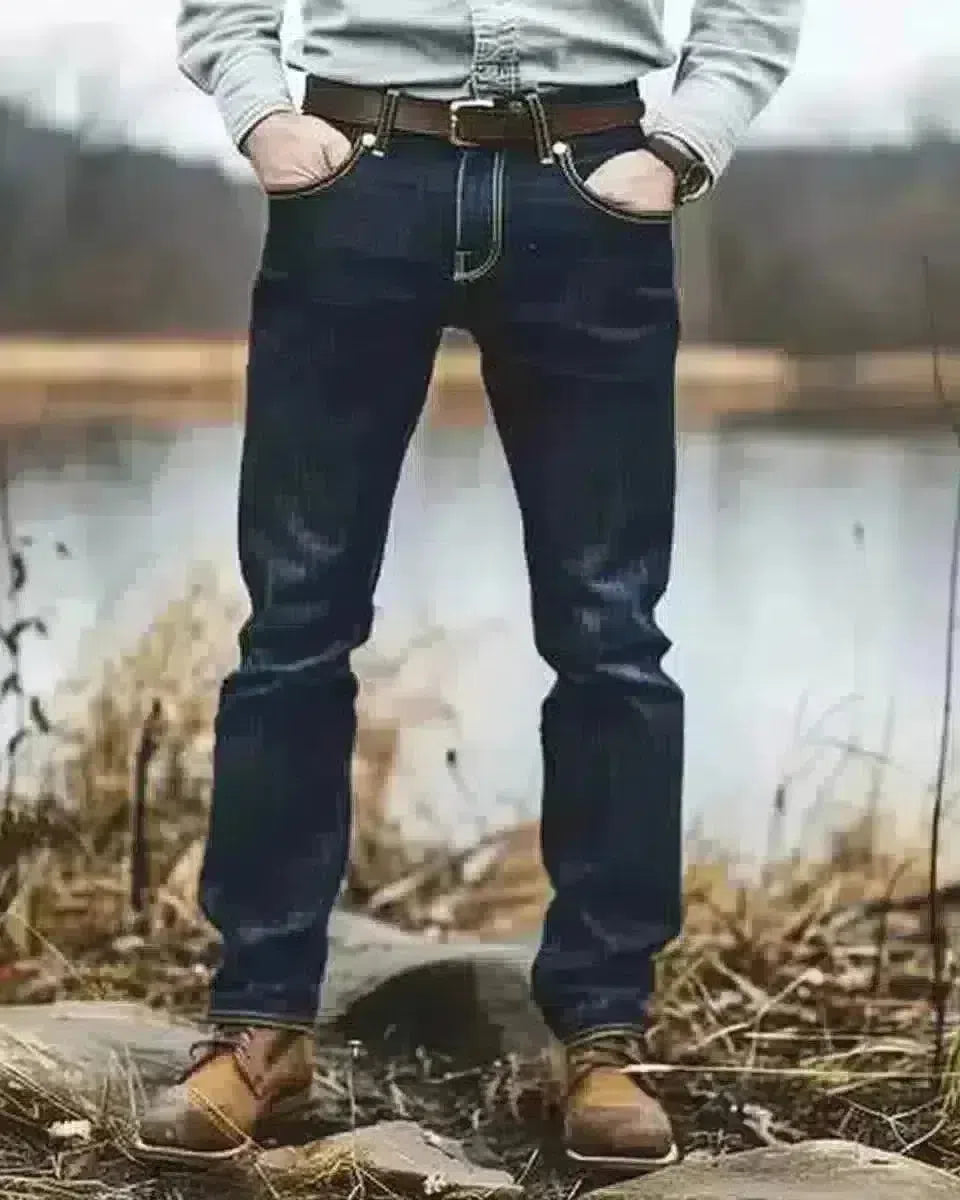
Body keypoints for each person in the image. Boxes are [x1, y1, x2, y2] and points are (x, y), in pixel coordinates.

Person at [137, 0, 803, 1170]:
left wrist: (685, 143)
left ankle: (603, 1036)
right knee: (296, 624)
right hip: (357, 176)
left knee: (611, 635)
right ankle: (260, 1026)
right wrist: (261, 116)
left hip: (593, 181)